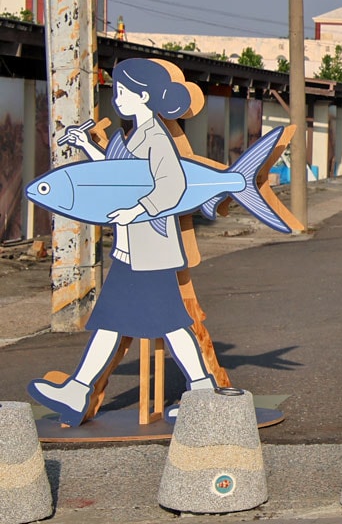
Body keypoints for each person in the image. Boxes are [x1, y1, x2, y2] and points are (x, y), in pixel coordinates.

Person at [28, 59, 216, 426]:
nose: (116, 99)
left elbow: (172, 186)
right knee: (113, 321)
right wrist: (89, 146)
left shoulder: (156, 137)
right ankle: (79, 389)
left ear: (143, 96)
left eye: (122, 92)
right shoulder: (138, 135)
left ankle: (203, 390)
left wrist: (136, 211)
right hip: (135, 251)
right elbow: (122, 178)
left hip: (152, 249)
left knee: (171, 323)